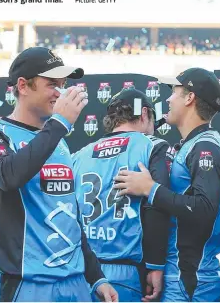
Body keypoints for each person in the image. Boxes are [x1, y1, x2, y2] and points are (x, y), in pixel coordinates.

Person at [0, 47, 117, 302]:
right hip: (26, 286)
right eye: (52, 84)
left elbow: (71, 219)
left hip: (75, 283)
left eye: (63, 85)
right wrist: (60, 123)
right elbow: (9, 176)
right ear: (23, 85)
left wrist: (96, 277)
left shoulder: (59, 142)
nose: (60, 93)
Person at [113, 68, 220, 302]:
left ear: (190, 98)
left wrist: (150, 189)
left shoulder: (205, 147)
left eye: (174, 92)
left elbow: (203, 208)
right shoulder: (195, 145)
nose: (167, 99)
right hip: (184, 273)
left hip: (190, 277)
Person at [72, 88, 171, 302]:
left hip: (82, 271)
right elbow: (157, 207)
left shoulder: (80, 155)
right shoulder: (151, 145)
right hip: (125, 272)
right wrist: (156, 265)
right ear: (144, 114)